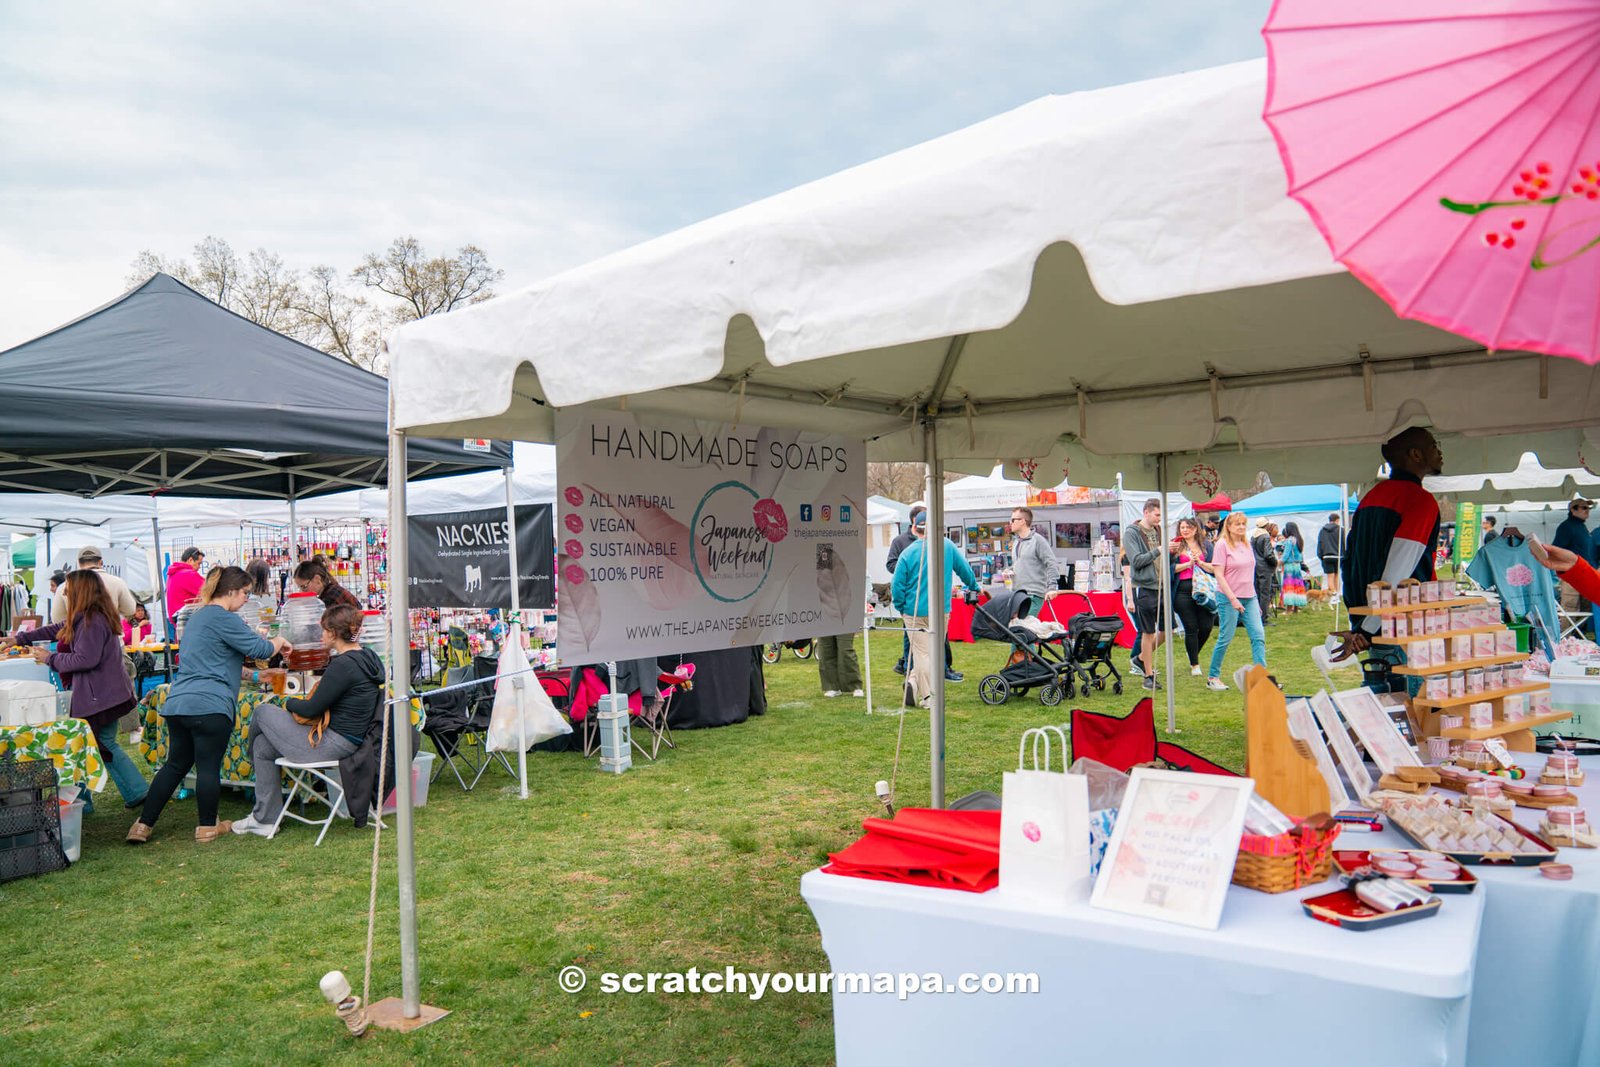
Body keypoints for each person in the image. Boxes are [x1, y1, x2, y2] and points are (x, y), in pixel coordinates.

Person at [129, 566, 288, 844]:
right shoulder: (226, 618)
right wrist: (281, 640)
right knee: (208, 767)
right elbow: (261, 650)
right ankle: (206, 826)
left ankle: (143, 825)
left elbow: (212, 660)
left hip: (179, 703)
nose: (246, 600)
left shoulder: (196, 618)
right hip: (212, 704)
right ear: (230, 591)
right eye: (245, 593)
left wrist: (252, 675)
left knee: (174, 766)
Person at [232, 604, 382, 837]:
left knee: (262, 711)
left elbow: (311, 709)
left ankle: (249, 761)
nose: (320, 636)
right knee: (263, 746)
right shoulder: (369, 658)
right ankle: (265, 819)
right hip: (352, 740)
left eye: (323, 630)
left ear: (333, 633)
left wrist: (286, 701)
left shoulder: (343, 665)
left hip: (333, 743)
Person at [2, 571, 148, 809]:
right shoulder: (87, 616)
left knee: (102, 744)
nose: (65, 592)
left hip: (101, 695)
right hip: (102, 694)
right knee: (92, 744)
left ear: (82, 590)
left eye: (68, 588)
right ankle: (85, 801)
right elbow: (56, 629)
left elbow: (85, 659)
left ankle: (135, 792)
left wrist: (51, 658)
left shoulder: (92, 620)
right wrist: (20, 639)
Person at [1334, 426, 1444, 660]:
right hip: (1403, 626)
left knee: (1382, 692)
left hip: (1374, 623)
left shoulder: (1371, 497)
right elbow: (1399, 569)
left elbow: (1350, 563)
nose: (1440, 453)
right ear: (1416, 454)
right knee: (1409, 694)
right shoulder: (1419, 501)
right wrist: (1366, 629)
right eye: (1434, 446)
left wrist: (1360, 624)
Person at [891, 516, 977, 708]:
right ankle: (924, 694)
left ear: (914, 529)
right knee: (931, 653)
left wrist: (901, 606)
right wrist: (974, 587)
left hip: (914, 612)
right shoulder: (947, 545)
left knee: (922, 654)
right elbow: (965, 570)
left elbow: (897, 585)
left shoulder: (907, 553)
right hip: (940, 610)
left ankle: (920, 690)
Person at [885, 506, 960, 682]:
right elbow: (893, 571)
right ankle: (913, 678)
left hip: (930, 606)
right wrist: (902, 605)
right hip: (914, 605)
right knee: (919, 649)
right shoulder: (902, 544)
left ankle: (917, 680)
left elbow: (897, 584)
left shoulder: (941, 544)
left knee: (927, 650)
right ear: (913, 523)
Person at [1206, 511, 1268, 689]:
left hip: (1249, 597)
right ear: (1229, 526)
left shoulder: (1247, 544)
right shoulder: (1222, 545)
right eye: (1237, 524)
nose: (1241, 527)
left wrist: (1254, 600)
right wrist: (1233, 600)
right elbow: (1219, 575)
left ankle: (1261, 676)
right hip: (1227, 597)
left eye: (1243, 524)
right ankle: (1213, 677)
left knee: (1258, 636)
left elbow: (1250, 574)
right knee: (1226, 637)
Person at [1121, 498, 1169, 691]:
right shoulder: (1132, 533)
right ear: (1146, 512)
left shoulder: (1158, 531)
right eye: (1157, 515)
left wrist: (1170, 552)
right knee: (1147, 633)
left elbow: (1161, 558)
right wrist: (1158, 550)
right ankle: (1148, 676)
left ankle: (1141, 658)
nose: (1159, 519)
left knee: (1167, 632)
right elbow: (1137, 561)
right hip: (1145, 587)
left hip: (1162, 586)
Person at [1170, 517, 1216, 676]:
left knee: (1206, 627)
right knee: (1191, 628)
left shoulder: (1207, 546)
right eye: (1182, 527)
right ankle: (1194, 664)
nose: (1185, 530)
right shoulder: (1175, 545)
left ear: (1196, 529)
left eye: (1188, 527)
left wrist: (1201, 564)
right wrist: (1187, 565)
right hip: (1182, 591)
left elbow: (1215, 567)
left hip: (1203, 590)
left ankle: (1193, 653)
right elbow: (1168, 569)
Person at [51, 545, 137, 624]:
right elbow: (130, 610)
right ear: (100, 562)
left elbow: (57, 619)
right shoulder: (117, 582)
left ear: (79, 563)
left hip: (79, 638)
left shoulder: (65, 586)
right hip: (111, 637)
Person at [1551, 498, 1597, 633]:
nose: (1587, 511)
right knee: (1571, 608)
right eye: (1584, 508)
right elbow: (1556, 549)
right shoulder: (1566, 527)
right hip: (1572, 575)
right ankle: (1565, 639)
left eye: (1588, 508)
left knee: (1586, 608)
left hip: (1585, 573)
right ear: (1573, 510)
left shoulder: (1581, 526)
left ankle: (1580, 640)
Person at [1008, 507, 1057, 618]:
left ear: (1022, 521)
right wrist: (1009, 571)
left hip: (1033, 595)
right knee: (1018, 630)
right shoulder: (1016, 541)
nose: (1010, 523)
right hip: (1017, 594)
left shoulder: (1038, 540)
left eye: (1012, 520)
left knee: (1025, 628)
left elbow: (1052, 563)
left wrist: (1052, 587)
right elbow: (1020, 564)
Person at [293, 558, 363, 611]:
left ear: (317, 579)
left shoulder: (331, 598)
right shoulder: (329, 592)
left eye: (304, 587)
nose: (302, 592)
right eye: (300, 588)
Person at [164, 547, 206, 629]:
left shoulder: (173, 574)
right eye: (199, 563)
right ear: (190, 560)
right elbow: (211, 590)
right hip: (190, 623)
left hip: (178, 623)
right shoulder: (188, 574)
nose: (199, 567)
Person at [815, 634, 864, 698]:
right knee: (825, 652)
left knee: (845, 652)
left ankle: (855, 686)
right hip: (823, 625)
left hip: (845, 624)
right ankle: (832, 687)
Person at [1251, 520, 1279, 622]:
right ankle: (1263, 618)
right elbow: (1268, 554)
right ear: (1266, 526)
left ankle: (1256, 616)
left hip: (1255, 566)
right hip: (1264, 568)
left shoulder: (1254, 536)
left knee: (1257, 592)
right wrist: (1275, 562)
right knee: (1265, 594)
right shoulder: (1265, 536)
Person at [1280, 522, 1307, 612]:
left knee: (1289, 587)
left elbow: (1286, 554)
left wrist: (1279, 563)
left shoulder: (1289, 540)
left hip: (1289, 566)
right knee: (1297, 586)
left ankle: (1288, 610)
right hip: (1297, 566)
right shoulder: (1299, 539)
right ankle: (1296, 608)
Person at [1316, 513, 1345, 595]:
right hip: (1338, 555)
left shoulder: (1322, 530)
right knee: (1337, 575)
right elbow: (1343, 543)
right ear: (1337, 520)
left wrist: (1320, 556)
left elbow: (1320, 544)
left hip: (1327, 556)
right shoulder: (1341, 530)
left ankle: (1332, 594)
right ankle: (1337, 594)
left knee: (1330, 577)